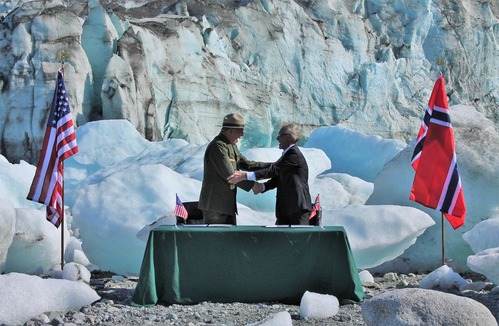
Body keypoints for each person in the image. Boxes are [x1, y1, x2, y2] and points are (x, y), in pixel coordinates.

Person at [227, 123, 312, 225]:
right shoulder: (288, 154)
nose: (277, 138)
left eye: (280, 135)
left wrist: (244, 175)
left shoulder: (293, 154)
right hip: (287, 210)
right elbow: (279, 177)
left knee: (298, 240)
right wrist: (262, 187)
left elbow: (274, 170)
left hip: (297, 209)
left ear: (289, 137)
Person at [198, 113, 270, 225]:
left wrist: (274, 167)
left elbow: (247, 164)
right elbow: (231, 175)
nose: (242, 135)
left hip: (225, 207)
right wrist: (253, 185)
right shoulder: (218, 146)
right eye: (240, 131)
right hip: (216, 208)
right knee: (219, 241)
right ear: (231, 131)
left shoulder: (231, 146)